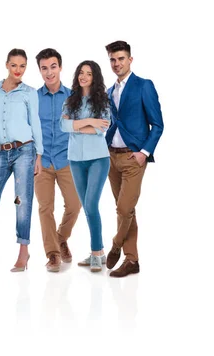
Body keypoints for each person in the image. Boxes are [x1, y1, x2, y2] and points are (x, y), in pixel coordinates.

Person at [0, 48, 43, 272]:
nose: (18, 70)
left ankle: (23, 251)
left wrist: (39, 155)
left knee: (21, 200)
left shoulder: (29, 92)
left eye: (22, 66)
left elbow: (35, 123)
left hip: (24, 151)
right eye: (14, 65)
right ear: (7, 64)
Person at [104, 40, 164, 277]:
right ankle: (132, 260)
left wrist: (144, 153)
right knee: (127, 211)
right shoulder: (110, 91)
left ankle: (116, 245)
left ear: (130, 59)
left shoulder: (143, 85)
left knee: (124, 207)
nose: (116, 63)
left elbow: (157, 124)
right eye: (112, 59)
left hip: (133, 158)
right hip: (111, 157)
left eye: (120, 58)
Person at [60, 60, 111, 272]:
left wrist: (76, 126)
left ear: (94, 77)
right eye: (81, 73)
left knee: (91, 205)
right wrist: (89, 122)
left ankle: (97, 252)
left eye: (88, 74)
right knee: (87, 207)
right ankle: (97, 253)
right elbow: (63, 126)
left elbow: (102, 129)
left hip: (98, 158)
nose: (84, 76)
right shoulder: (70, 100)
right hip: (75, 160)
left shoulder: (103, 100)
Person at [34, 48, 81, 273]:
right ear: (40, 71)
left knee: (75, 203)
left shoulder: (73, 97)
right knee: (45, 208)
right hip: (42, 161)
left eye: (53, 66)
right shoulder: (33, 98)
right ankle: (53, 254)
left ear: (60, 67)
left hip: (67, 159)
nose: (49, 72)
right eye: (44, 68)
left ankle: (61, 237)